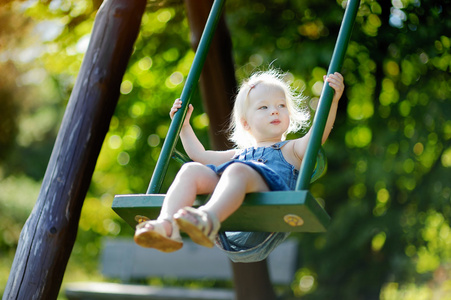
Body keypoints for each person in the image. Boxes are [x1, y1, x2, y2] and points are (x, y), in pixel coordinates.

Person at [134, 69, 344, 262]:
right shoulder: (238, 154)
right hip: (236, 213)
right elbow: (199, 155)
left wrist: (331, 101)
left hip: (270, 203)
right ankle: (167, 225)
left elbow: (317, 134)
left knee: (237, 169)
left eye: (281, 106)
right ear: (245, 123)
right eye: (264, 107)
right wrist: (184, 126)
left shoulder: (292, 149)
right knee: (191, 170)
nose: (275, 111)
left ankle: (207, 219)